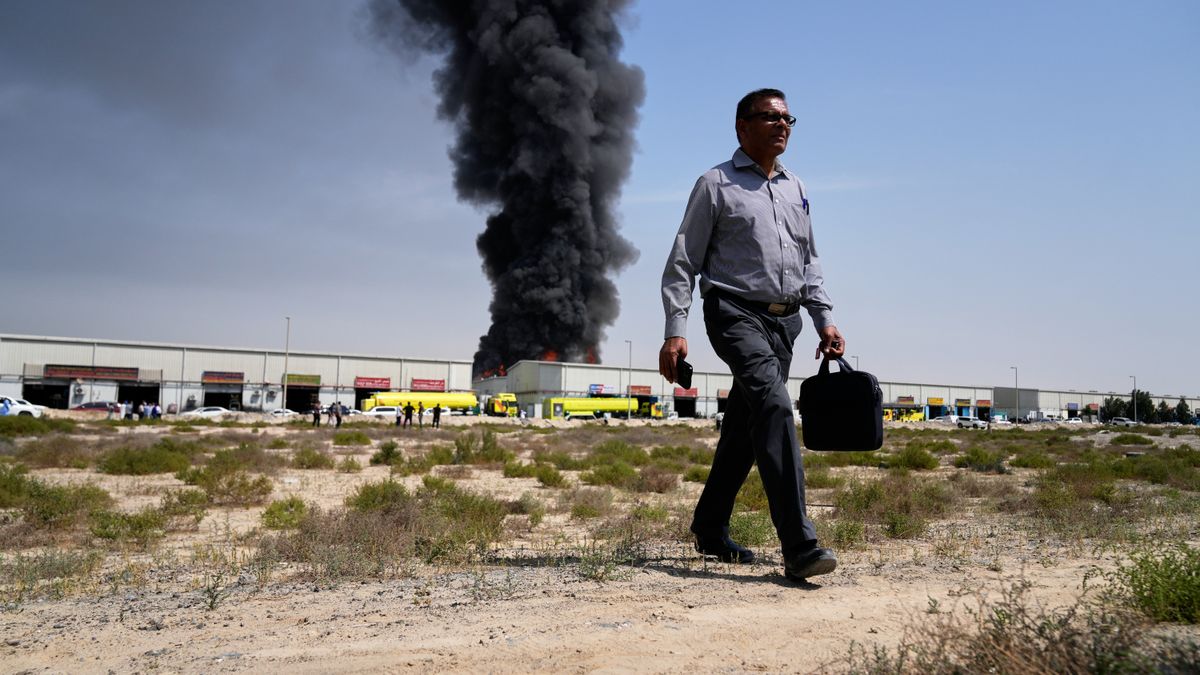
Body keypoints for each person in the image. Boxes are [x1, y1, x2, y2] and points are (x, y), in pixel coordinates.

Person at [659, 88, 847, 584]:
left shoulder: (795, 186)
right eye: (770, 117)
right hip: (734, 312)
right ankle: (800, 546)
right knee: (775, 406)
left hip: (786, 321)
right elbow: (683, 260)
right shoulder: (715, 184)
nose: (782, 125)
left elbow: (809, 261)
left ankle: (710, 525)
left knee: (745, 428)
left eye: (788, 118)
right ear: (742, 126)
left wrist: (824, 319)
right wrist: (675, 330)